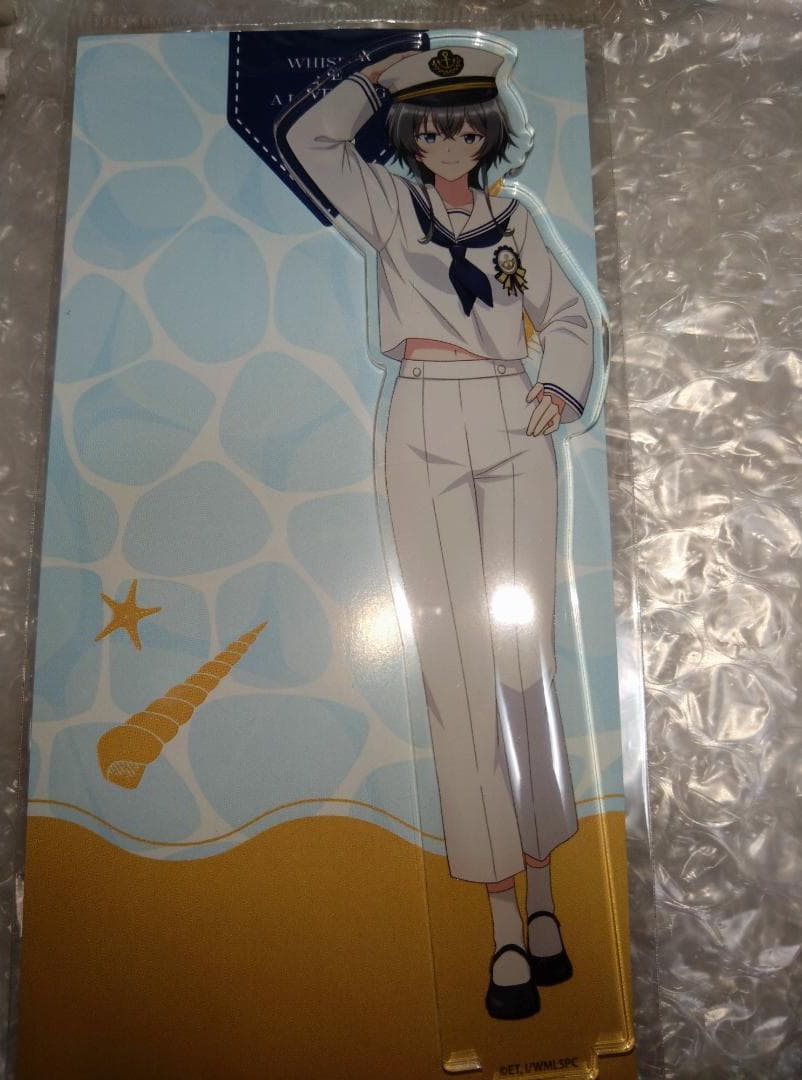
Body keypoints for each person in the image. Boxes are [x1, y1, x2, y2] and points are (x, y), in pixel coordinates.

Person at [287, 44, 595, 1021]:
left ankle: (545, 894)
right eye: (430, 127)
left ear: (489, 132)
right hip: (422, 413)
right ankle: (502, 921)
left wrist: (561, 387)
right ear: (410, 137)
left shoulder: (517, 220)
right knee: (454, 669)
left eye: (466, 125)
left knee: (523, 658)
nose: (451, 141)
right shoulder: (389, 207)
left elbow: (570, 317)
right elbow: (312, 139)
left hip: (513, 415)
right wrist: (380, 73)